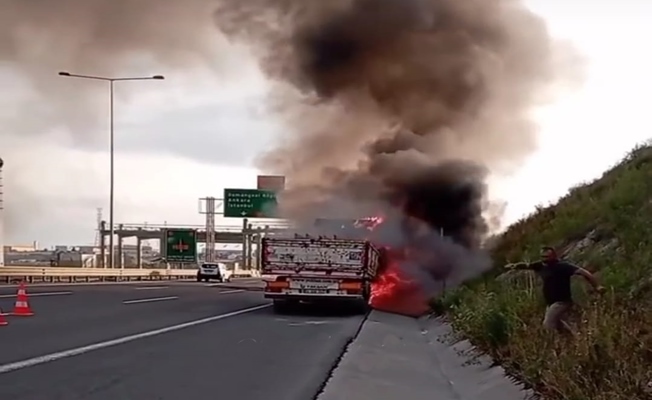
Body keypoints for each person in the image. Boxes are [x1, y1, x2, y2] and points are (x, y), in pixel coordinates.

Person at [505, 246, 605, 334]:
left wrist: (596, 286)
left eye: (547, 257)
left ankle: (556, 345)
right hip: (550, 303)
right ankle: (574, 340)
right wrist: (515, 266)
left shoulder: (563, 267)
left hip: (562, 301)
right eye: (542, 257)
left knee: (548, 324)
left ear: (554, 256)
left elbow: (584, 273)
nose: (544, 259)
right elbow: (528, 266)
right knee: (559, 324)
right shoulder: (541, 265)